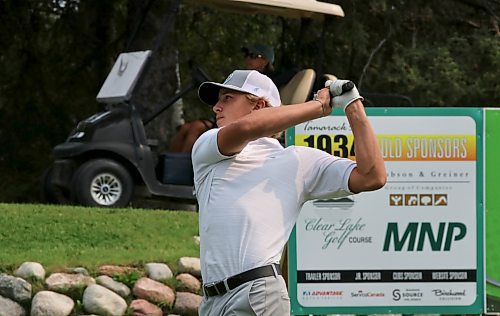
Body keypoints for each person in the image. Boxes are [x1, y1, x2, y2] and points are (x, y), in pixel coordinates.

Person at [192, 69, 386, 315]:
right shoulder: (208, 145)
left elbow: (372, 176)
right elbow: (247, 128)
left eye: (227, 98)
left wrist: (352, 105)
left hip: (256, 294)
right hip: (210, 302)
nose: (216, 107)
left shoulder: (298, 161)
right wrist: (318, 107)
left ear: (259, 105)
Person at [169, 44, 277, 153]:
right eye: (247, 55)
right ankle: (173, 162)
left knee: (195, 127)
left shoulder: (272, 83)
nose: (248, 58)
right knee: (186, 128)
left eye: (253, 55)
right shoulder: (213, 141)